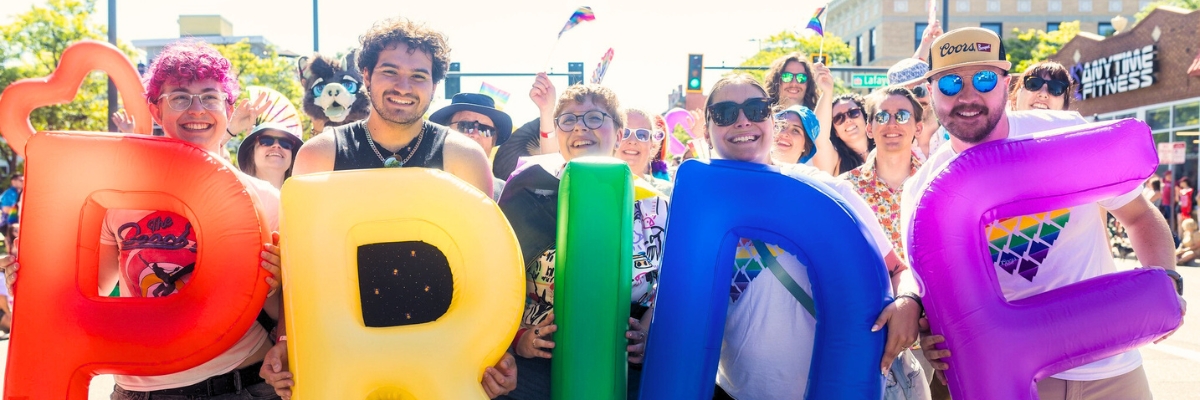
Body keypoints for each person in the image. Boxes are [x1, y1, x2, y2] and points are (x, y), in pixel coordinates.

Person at [902, 27, 1186, 400]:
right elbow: (922, 277)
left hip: (1112, 368)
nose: (968, 96)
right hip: (1021, 378)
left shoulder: (1063, 134)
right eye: (951, 83)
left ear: (1007, 83)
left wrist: (1167, 279)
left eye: (985, 79)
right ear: (931, 91)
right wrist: (917, 312)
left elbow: (1138, 216)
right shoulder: (923, 190)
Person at [8, 40, 286, 399]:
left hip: (236, 385)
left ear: (228, 109)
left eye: (210, 97)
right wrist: (34, 284)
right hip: (140, 390)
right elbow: (91, 286)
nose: (196, 109)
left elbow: (285, 312)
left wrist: (278, 283)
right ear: (156, 111)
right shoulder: (114, 196)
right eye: (180, 97)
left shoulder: (265, 198)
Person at [261, 17, 514, 399]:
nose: (403, 87)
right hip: (343, 357)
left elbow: (486, 266)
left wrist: (499, 351)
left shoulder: (463, 158)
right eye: (390, 72)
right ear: (366, 74)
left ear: (434, 85)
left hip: (441, 354)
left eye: (419, 76)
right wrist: (285, 341)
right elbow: (302, 268)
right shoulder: (320, 155)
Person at [700, 74, 922, 400]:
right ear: (707, 130)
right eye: (725, 113)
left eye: (756, 109)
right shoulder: (701, 207)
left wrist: (909, 303)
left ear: (771, 120)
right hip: (735, 391)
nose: (743, 121)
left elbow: (898, 270)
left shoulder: (827, 190)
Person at [498, 83, 667, 400]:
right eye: (568, 119)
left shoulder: (655, 207)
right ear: (558, 132)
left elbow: (673, 284)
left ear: (618, 133)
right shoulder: (526, 190)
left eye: (594, 118)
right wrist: (518, 338)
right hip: (535, 371)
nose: (580, 127)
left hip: (622, 372)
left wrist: (648, 331)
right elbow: (496, 278)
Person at [429, 92, 514, 200]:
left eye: (485, 130)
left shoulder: (506, 194)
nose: (475, 134)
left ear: (493, 139)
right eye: (465, 125)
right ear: (445, 131)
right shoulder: (423, 179)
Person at [887, 59, 942, 160]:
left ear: (931, 89)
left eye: (919, 90)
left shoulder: (958, 138)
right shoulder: (887, 151)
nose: (915, 99)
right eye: (905, 94)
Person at [616, 108, 673, 196]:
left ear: (652, 145)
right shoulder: (594, 189)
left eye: (642, 135)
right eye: (625, 133)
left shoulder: (669, 195)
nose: (632, 141)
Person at [236, 123, 303, 190]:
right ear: (251, 154)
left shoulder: (302, 198)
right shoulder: (236, 194)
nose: (276, 145)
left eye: (286, 143)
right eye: (266, 140)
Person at [827, 93, 875, 175]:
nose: (847, 120)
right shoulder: (834, 160)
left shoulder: (884, 147)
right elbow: (819, 138)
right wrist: (826, 92)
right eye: (839, 118)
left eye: (853, 113)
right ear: (835, 132)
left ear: (865, 117)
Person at [1009, 61, 1073, 112]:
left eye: (1055, 88)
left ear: (1065, 104)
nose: (1043, 94)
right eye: (1033, 84)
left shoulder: (1080, 126)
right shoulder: (999, 127)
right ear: (1017, 94)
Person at [0, 174, 21, 254]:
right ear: (13, 181)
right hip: (8, 224)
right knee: (11, 249)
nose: (22, 182)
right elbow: (5, 209)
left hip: (14, 224)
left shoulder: (19, 192)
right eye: (20, 180)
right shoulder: (10, 193)